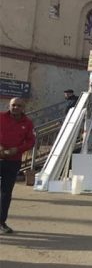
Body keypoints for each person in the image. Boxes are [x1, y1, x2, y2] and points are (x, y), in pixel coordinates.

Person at [0, 97, 35, 233]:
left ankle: (1, 222)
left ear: (23, 107)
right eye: (14, 105)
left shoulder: (28, 123)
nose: (16, 108)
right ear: (9, 105)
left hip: (13, 162)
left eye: (19, 106)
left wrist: (17, 149)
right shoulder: (1, 117)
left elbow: (31, 141)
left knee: (6, 193)